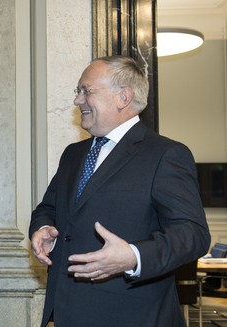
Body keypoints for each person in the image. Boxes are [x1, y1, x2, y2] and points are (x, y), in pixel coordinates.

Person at [29, 55, 210, 326]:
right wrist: (43, 228)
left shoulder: (165, 154)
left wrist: (132, 257)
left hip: (133, 316)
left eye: (86, 91)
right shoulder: (73, 154)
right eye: (78, 92)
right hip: (67, 313)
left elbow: (192, 235)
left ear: (123, 97)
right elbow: (49, 208)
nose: (78, 101)